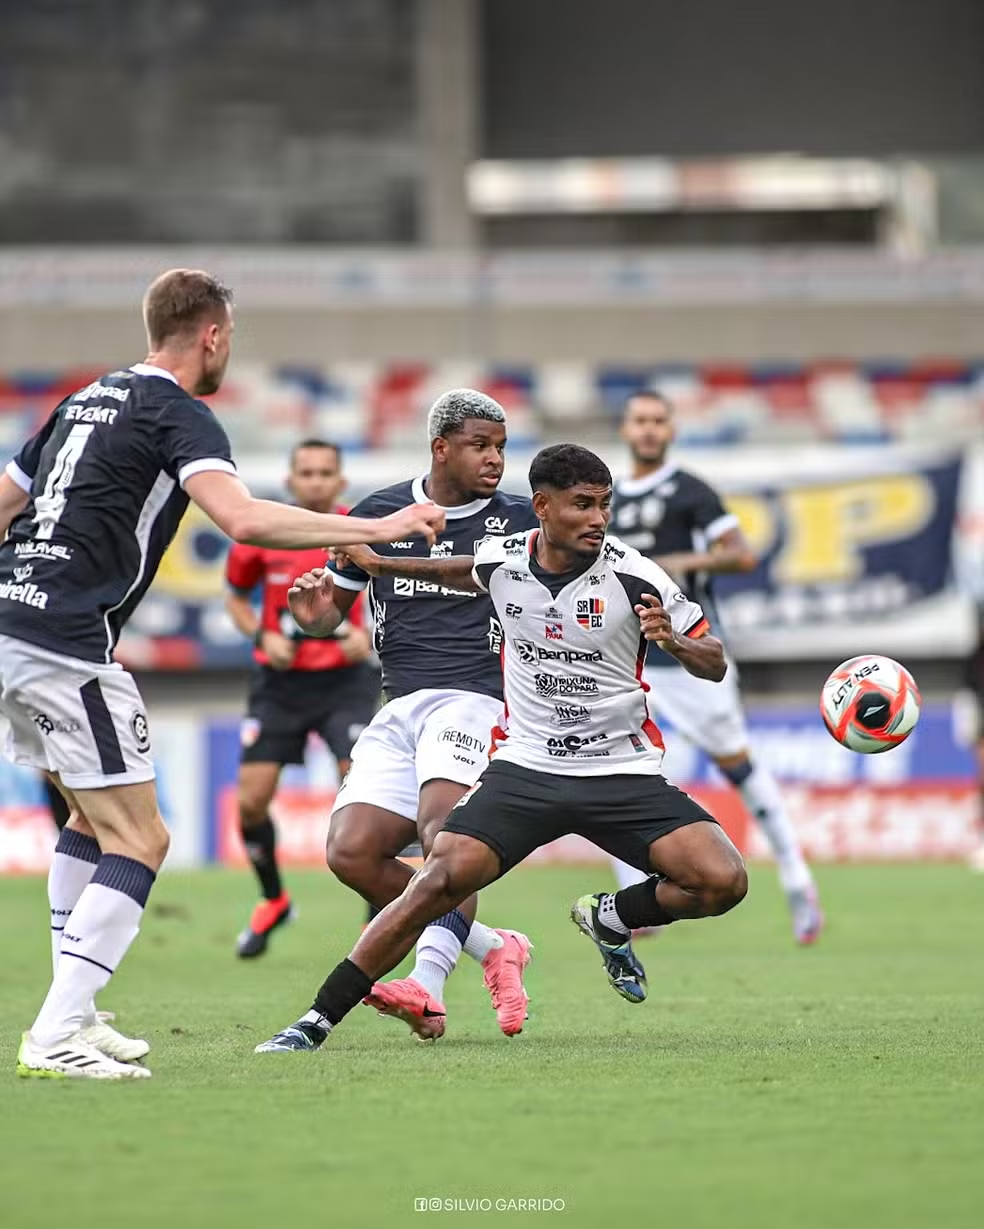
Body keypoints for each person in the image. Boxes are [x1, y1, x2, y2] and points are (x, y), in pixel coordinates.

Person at [0, 268, 444, 1081]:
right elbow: (241, 517)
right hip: (62, 643)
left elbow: (3, 503)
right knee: (142, 837)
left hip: (12, 623)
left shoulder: (82, 399)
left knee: (90, 819)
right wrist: (379, 527)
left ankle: (77, 1011)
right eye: (229, 338)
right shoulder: (175, 411)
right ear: (211, 336)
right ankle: (57, 1030)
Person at [254, 443, 748, 1053]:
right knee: (436, 880)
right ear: (542, 506)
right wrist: (379, 566)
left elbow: (714, 661)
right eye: (582, 505)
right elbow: (458, 571)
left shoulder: (634, 574)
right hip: (526, 769)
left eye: (604, 505)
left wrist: (676, 642)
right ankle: (314, 1021)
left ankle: (612, 916)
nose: (598, 518)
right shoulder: (506, 558)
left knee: (723, 881)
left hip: (618, 769)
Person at [283, 389, 540, 1040]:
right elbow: (328, 616)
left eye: (501, 447)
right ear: (441, 448)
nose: (495, 458)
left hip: (478, 698)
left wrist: (379, 559)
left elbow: (479, 574)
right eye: (480, 445)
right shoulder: (378, 513)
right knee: (351, 852)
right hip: (399, 704)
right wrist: (309, 612)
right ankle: (493, 945)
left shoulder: (518, 520)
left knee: (442, 836)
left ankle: (426, 983)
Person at [608, 390, 823, 946]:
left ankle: (797, 880)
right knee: (613, 769)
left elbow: (741, 553)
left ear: (671, 429)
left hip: (689, 657)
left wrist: (681, 562)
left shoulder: (690, 490)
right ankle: (633, 902)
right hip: (625, 660)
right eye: (640, 420)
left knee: (737, 765)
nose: (649, 429)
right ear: (625, 428)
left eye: (658, 421)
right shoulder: (606, 497)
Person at [225, 439, 379, 957]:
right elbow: (235, 597)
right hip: (280, 682)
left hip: (345, 681)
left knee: (362, 793)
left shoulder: (361, 530)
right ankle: (273, 900)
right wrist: (261, 636)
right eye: (306, 472)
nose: (315, 481)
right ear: (290, 481)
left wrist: (368, 638)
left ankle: (377, 916)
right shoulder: (263, 531)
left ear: (340, 482)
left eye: (324, 472)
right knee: (250, 802)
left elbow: (395, 594)